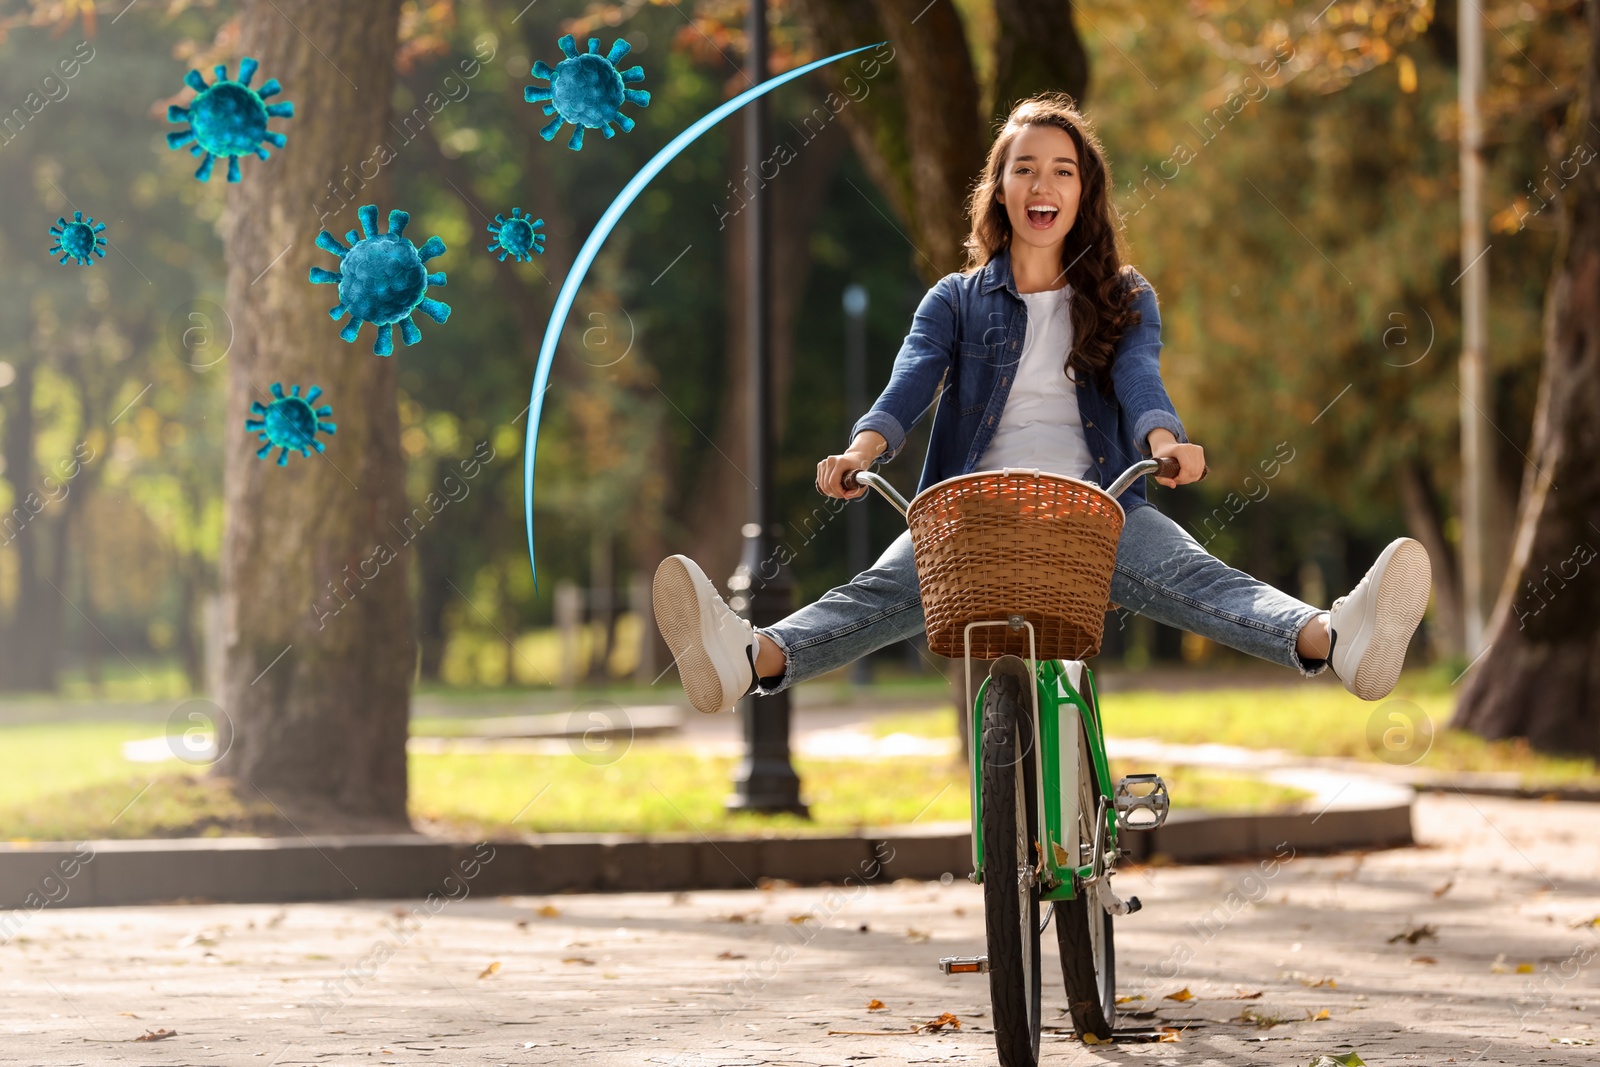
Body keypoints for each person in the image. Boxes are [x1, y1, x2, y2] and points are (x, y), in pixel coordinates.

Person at [653, 93, 1431, 716]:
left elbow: (1139, 381)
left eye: (1062, 170)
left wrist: (1166, 440)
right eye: (1025, 168)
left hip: (1095, 511)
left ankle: (1338, 639)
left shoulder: (1124, 296)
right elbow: (909, 383)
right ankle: (745, 656)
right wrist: (861, 453)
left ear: (1082, 192)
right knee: (877, 593)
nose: (1043, 185)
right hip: (971, 512)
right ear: (1000, 188)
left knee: (1202, 578)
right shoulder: (954, 301)